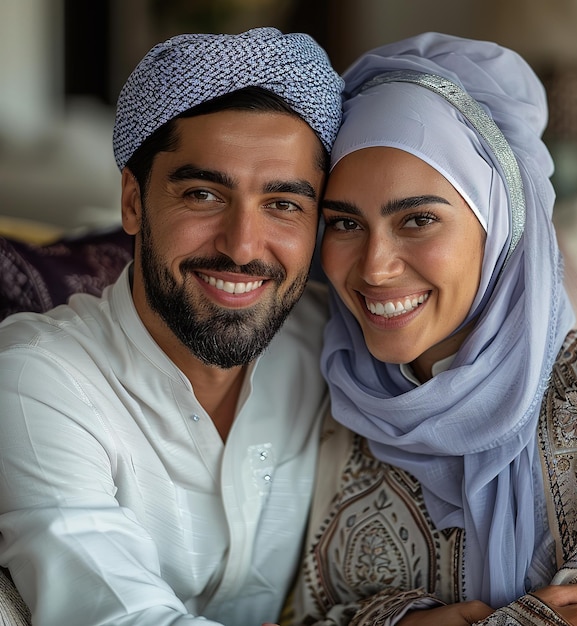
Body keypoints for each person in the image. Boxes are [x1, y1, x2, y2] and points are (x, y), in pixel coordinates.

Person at [0, 27, 343, 626]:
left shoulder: (332, 345)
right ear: (133, 202)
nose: (241, 247)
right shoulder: (37, 380)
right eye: (204, 194)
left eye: (284, 204)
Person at [286, 32, 577, 625]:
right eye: (345, 223)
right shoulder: (319, 405)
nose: (373, 267)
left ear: (499, 228)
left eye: (417, 219)